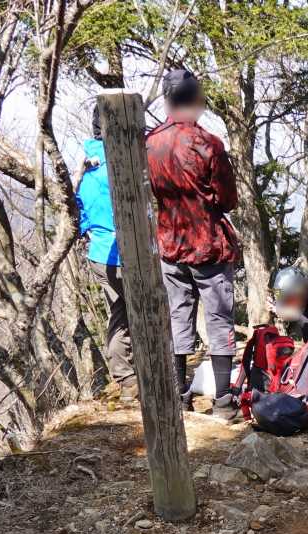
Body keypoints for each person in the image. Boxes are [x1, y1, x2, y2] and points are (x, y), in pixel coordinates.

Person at [146, 68, 240, 419]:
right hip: (208, 244)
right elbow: (228, 199)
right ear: (197, 100)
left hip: (169, 242)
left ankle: (178, 395)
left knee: (177, 316)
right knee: (218, 319)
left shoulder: (150, 143)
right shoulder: (207, 144)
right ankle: (223, 402)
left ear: (167, 100)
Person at [77, 105, 134, 401]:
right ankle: (140, 376)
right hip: (125, 255)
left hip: (99, 254)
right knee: (143, 311)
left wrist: (90, 231)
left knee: (120, 313)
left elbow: (79, 214)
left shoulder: (86, 168)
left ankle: (126, 379)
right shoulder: (120, 163)